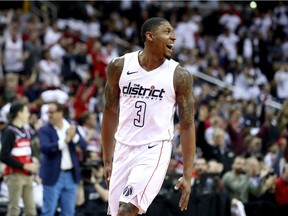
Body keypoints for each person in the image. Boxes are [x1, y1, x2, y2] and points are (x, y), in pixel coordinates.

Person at [101, 17, 196, 216]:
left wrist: (188, 174)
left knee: (127, 210)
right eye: (167, 32)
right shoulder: (119, 66)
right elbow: (110, 112)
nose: (174, 37)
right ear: (150, 36)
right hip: (123, 147)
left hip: (154, 148)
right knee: (115, 212)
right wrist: (107, 157)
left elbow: (187, 125)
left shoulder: (179, 76)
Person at [38, 102, 87, 216]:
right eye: (48, 112)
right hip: (52, 174)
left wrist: (74, 136)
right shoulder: (45, 129)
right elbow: (45, 148)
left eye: (52, 112)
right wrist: (65, 141)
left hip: (70, 175)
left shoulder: (70, 126)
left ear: (60, 113)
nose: (49, 115)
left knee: (69, 212)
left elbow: (84, 145)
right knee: (48, 211)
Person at [0, 102, 39, 216]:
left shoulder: (26, 131)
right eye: (26, 111)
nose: (28, 114)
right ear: (19, 113)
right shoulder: (10, 132)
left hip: (27, 174)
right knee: (14, 209)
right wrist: (24, 165)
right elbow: (3, 156)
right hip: (14, 175)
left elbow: (24, 152)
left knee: (31, 210)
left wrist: (32, 160)